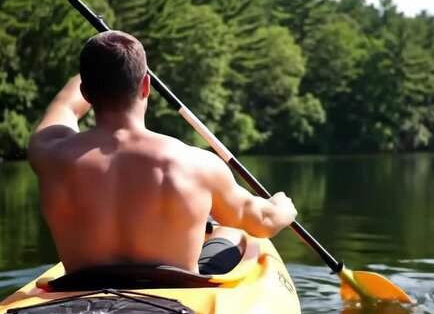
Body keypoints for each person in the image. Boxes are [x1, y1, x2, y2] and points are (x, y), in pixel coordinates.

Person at [28, 30, 297, 276]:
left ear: (87, 92)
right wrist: (282, 207)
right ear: (146, 86)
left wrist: (100, 64)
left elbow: (66, 105)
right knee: (234, 230)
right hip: (175, 308)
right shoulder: (195, 163)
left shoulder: (50, 154)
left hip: (80, 300)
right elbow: (263, 221)